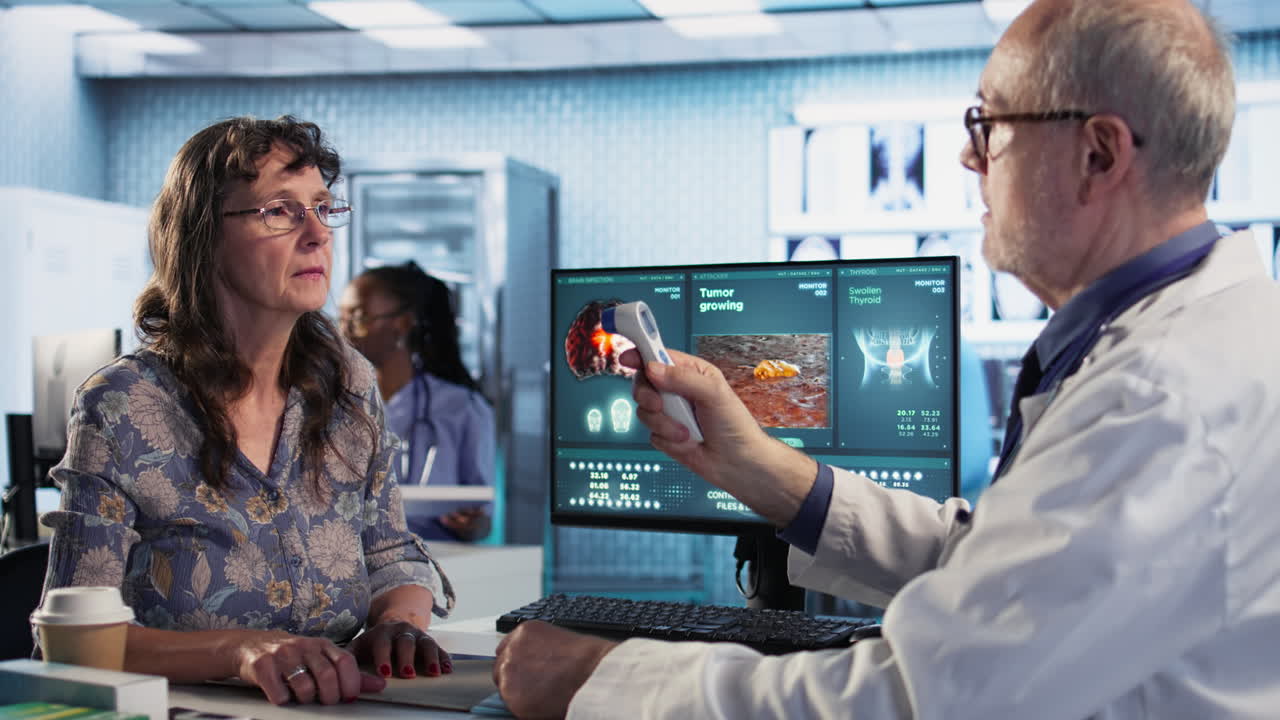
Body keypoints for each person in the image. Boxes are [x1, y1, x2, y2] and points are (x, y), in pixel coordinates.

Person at [493, 1, 1280, 717]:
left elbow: (921, 700)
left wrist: (601, 680)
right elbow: (1001, 571)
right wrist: (761, 469)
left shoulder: (1160, 397)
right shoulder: (1185, 346)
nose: (970, 158)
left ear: (1098, 155)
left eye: (989, 125)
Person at [39, 116, 457, 706]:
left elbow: (390, 554)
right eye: (281, 211)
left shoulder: (348, 384)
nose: (317, 234)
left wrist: (398, 623)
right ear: (203, 237)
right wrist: (239, 652)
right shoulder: (123, 405)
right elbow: (72, 641)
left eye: (323, 208)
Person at [338, 263, 496, 542]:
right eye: (341, 318)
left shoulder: (463, 408)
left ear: (401, 324)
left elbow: (482, 518)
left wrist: (472, 524)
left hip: (436, 558)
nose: (344, 331)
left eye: (358, 317)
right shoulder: (336, 404)